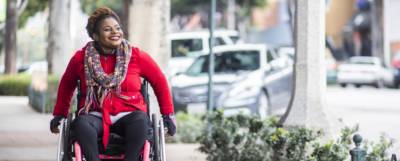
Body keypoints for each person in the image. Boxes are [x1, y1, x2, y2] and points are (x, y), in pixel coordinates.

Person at [49, 7, 176, 161]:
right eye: (107, 29)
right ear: (95, 36)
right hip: (95, 114)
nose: (115, 32)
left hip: (131, 114)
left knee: (142, 123)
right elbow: (66, 85)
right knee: (81, 124)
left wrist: (168, 115)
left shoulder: (136, 56)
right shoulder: (80, 58)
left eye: (117, 28)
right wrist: (59, 114)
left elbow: (160, 81)